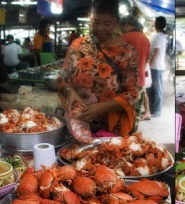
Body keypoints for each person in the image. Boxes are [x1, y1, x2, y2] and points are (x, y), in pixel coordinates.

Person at [57, 0, 139, 141]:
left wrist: (101, 108)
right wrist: (69, 92)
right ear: (89, 17)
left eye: (107, 24)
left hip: (111, 128)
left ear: (116, 22)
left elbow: (132, 94)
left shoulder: (127, 53)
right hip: (77, 124)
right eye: (96, 22)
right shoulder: (77, 46)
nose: (100, 28)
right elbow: (62, 79)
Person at [119, 15, 152, 121]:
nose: (122, 29)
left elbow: (119, 58)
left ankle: (129, 131)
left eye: (122, 26)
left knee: (127, 108)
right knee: (137, 104)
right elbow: (147, 59)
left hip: (126, 78)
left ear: (127, 24)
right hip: (140, 76)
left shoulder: (125, 38)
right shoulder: (145, 39)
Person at [148, 16, 168, 118]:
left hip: (156, 67)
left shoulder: (159, 37)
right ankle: (151, 110)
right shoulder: (158, 36)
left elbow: (156, 52)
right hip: (155, 66)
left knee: (157, 89)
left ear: (156, 24)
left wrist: (150, 65)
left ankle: (157, 111)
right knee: (152, 89)